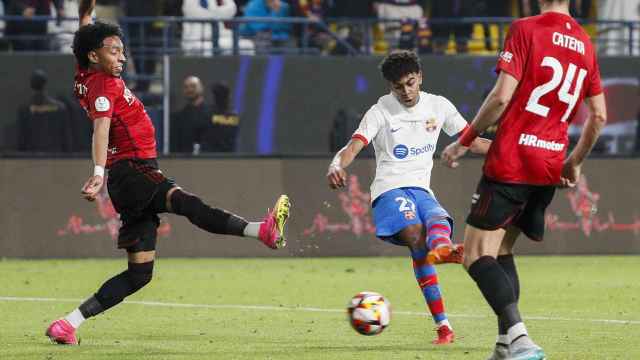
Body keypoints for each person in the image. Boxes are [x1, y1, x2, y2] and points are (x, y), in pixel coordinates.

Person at [45, 0, 291, 345]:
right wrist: (98, 171)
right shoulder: (103, 87)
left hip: (127, 177)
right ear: (93, 56)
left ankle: (67, 324)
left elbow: (85, 29)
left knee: (139, 274)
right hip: (132, 169)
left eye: (123, 51)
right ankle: (260, 231)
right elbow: (101, 128)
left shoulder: (85, 71)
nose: (122, 57)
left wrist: (86, 11)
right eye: (114, 51)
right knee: (187, 203)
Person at [441, 1, 606, 359]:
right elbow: (599, 116)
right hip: (548, 164)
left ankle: (521, 339)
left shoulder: (525, 28)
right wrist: (573, 163)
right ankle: (505, 345)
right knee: (501, 250)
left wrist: (463, 141)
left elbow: (501, 97)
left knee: (474, 254)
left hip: (513, 159)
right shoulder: (586, 43)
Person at [327, 50, 490, 345]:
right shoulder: (380, 111)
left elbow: (474, 141)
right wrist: (336, 164)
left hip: (421, 188)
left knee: (436, 220)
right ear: (389, 86)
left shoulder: (439, 106)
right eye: (398, 86)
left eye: (410, 83)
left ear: (420, 77)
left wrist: (517, 151)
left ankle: (444, 324)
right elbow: (353, 146)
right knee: (415, 232)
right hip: (389, 189)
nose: (406, 91)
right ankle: (441, 250)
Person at [17, 69, 72, 152]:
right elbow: (66, 137)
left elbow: (22, 138)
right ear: (45, 84)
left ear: (31, 85)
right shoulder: (59, 108)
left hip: (31, 157)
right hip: (55, 156)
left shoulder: (24, 109)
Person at [197, 81, 240, 153]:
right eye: (221, 95)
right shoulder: (207, 115)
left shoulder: (207, 115)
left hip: (225, 157)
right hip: (212, 157)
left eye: (225, 95)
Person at [170, 76, 208, 154]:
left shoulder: (211, 114)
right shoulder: (178, 117)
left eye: (193, 86)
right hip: (185, 161)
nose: (190, 89)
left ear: (201, 88)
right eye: (186, 87)